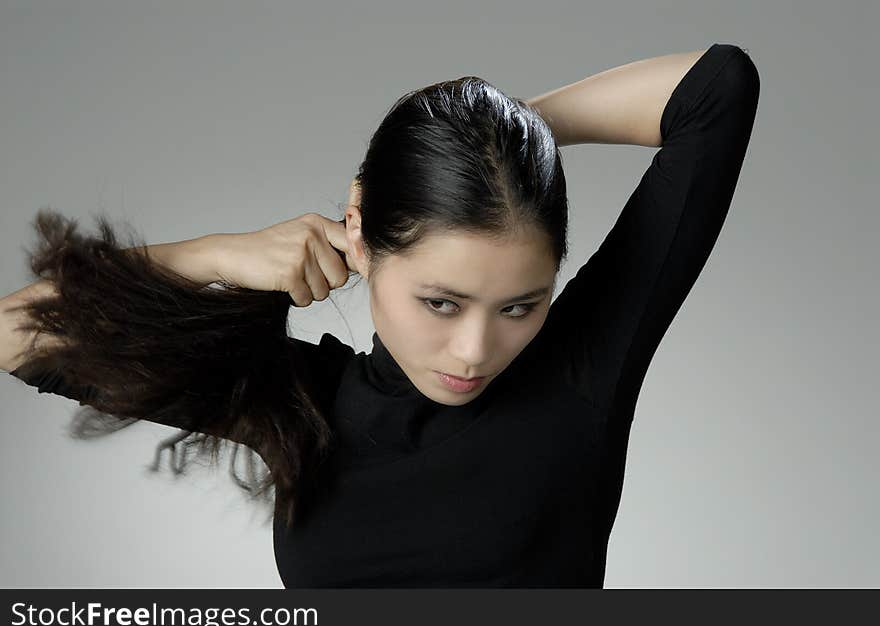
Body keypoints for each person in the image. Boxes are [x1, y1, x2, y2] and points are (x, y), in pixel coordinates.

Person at [1, 42, 760, 587]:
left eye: (520, 306)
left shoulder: (580, 371)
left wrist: (493, 136)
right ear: (359, 233)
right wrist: (213, 257)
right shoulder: (299, 401)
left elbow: (717, 90)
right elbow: (15, 334)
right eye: (441, 302)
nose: (474, 349)